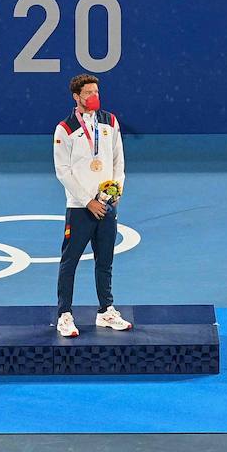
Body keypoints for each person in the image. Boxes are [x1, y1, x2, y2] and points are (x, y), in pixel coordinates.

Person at [52, 73, 128, 338]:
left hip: (107, 205)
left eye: (96, 91)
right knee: (69, 262)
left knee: (105, 260)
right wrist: (88, 201)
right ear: (77, 97)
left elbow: (118, 160)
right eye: (88, 93)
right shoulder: (65, 128)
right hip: (80, 207)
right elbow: (62, 171)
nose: (94, 96)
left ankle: (106, 310)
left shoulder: (111, 121)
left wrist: (116, 189)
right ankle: (64, 315)